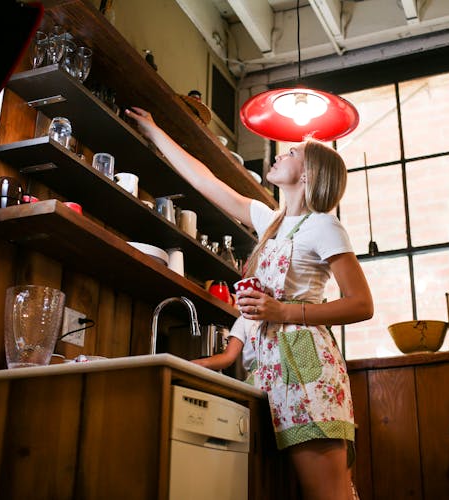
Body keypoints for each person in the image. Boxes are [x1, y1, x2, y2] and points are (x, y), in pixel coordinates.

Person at [126, 106, 374, 500]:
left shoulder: (324, 225)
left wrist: (283, 311)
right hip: (269, 373)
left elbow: (361, 304)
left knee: (329, 497)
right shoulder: (272, 223)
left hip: (308, 375)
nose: (281, 154)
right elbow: (205, 181)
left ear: (309, 173)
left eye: (292, 153)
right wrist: (154, 132)